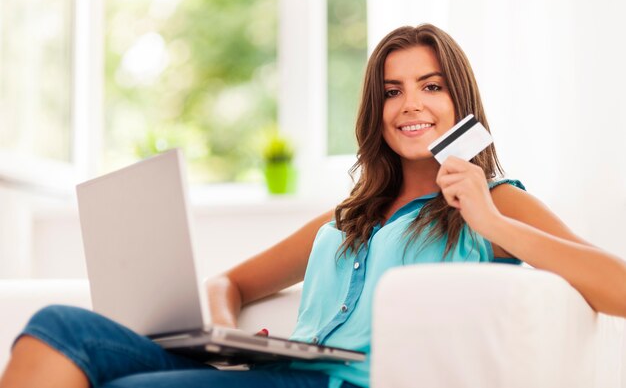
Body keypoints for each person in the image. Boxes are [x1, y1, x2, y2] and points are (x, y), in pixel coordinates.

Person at [2, 23, 626, 388]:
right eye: (393, 91)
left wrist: (488, 221)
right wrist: (226, 338)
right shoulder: (346, 217)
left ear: (459, 103)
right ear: (374, 113)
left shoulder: (498, 203)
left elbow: (618, 289)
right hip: (270, 372)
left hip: (332, 385)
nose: (410, 104)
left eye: (431, 87)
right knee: (61, 327)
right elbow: (231, 281)